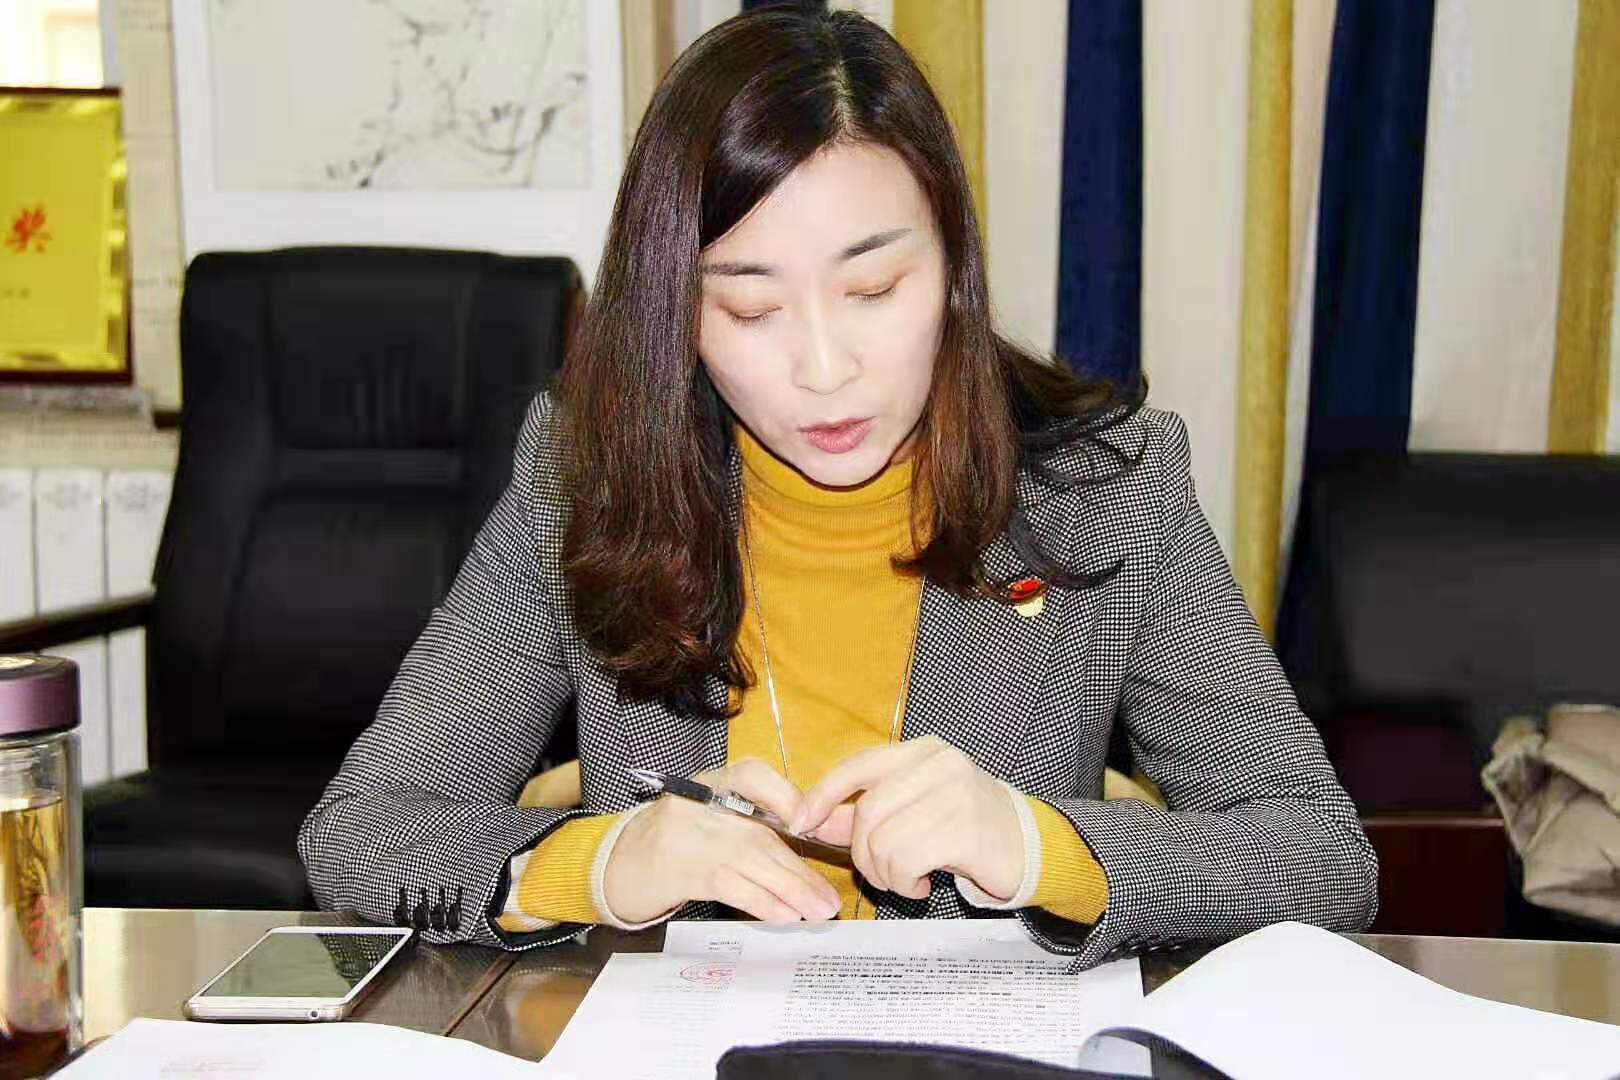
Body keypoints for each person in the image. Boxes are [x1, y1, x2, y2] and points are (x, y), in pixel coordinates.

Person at [297, 6, 1377, 967]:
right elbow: (364, 830)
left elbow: (1322, 856)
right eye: (751, 309)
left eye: (872, 288)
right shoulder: (587, 478)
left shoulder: (1103, 491)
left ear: (952, 268)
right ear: (676, 313)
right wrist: (602, 861)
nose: (823, 368)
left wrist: (1039, 845)